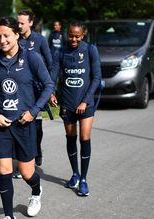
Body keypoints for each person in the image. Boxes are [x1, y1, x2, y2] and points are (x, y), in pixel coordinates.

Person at [0, 16, 54, 219]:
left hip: (24, 125)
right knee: (4, 170)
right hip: (1, 125)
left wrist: (33, 111)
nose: (2, 40)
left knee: (26, 173)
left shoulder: (31, 58)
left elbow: (49, 84)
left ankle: (36, 191)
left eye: (6, 35)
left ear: (16, 34)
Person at [50, 21, 101, 196]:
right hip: (67, 103)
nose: (73, 39)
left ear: (83, 35)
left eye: (77, 36)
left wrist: (85, 101)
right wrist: (51, 94)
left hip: (85, 103)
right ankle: (75, 174)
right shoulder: (60, 52)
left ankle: (84, 180)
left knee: (84, 138)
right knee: (70, 138)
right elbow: (52, 75)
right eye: (71, 35)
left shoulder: (90, 50)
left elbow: (96, 78)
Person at [16, 9, 53, 176]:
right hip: (19, 90)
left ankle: (37, 150)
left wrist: (50, 90)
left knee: (36, 127)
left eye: (22, 23)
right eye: (18, 22)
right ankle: (22, 161)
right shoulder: (14, 39)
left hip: (37, 91)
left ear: (30, 23)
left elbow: (50, 65)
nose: (19, 25)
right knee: (20, 124)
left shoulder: (40, 40)